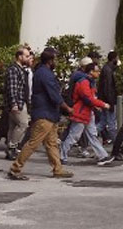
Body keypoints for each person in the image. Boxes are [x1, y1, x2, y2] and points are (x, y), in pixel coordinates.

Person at [7, 47, 74, 180]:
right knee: (33, 143)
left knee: (51, 143)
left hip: (48, 114)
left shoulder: (43, 71)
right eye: (56, 59)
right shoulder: (45, 74)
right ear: (50, 60)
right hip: (45, 114)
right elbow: (54, 95)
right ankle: (15, 168)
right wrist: (67, 108)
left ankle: (58, 169)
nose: (57, 62)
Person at [59, 62, 114, 165]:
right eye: (97, 71)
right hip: (82, 113)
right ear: (91, 72)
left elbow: (89, 99)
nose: (98, 73)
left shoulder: (87, 81)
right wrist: (102, 104)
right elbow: (88, 99)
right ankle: (62, 156)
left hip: (85, 113)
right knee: (74, 136)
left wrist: (97, 105)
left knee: (88, 135)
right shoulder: (85, 82)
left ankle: (102, 156)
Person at [3, 44, 33, 160]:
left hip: (19, 102)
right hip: (18, 103)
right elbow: (12, 88)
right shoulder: (14, 70)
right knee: (23, 124)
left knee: (13, 125)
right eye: (26, 56)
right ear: (19, 56)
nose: (28, 58)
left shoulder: (19, 69)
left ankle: (10, 149)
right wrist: (14, 103)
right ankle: (12, 147)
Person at [97, 51, 120, 144]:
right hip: (108, 100)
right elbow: (108, 87)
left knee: (103, 122)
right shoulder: (108, 70)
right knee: (111, 123)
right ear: (114, 58)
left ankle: (89, 135)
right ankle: (117, 144)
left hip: (105, 99)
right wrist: (110, 102)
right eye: (117, 58)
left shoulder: (108, 69)